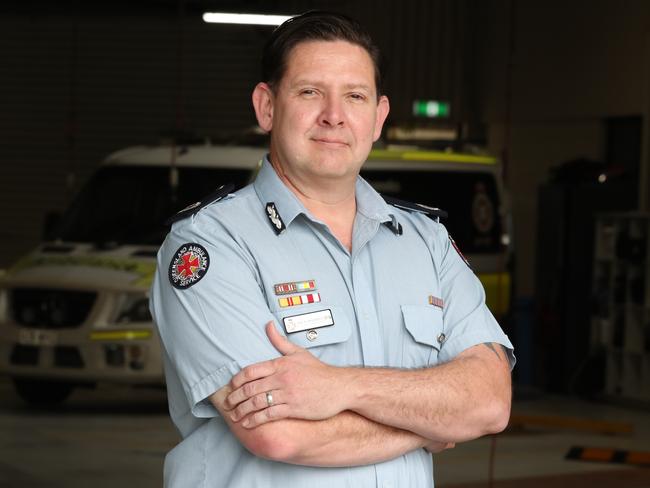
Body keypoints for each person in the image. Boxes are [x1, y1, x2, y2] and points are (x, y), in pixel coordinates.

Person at [150, 10, 514, 488]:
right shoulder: (210, 244)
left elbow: (490, 402)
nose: (334, 115)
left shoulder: (427, 242)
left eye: (355, 96)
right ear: (267, 106)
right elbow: (278, 435)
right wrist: (429, 422)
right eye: (309, 92)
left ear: (379, 117)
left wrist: (338, 386)